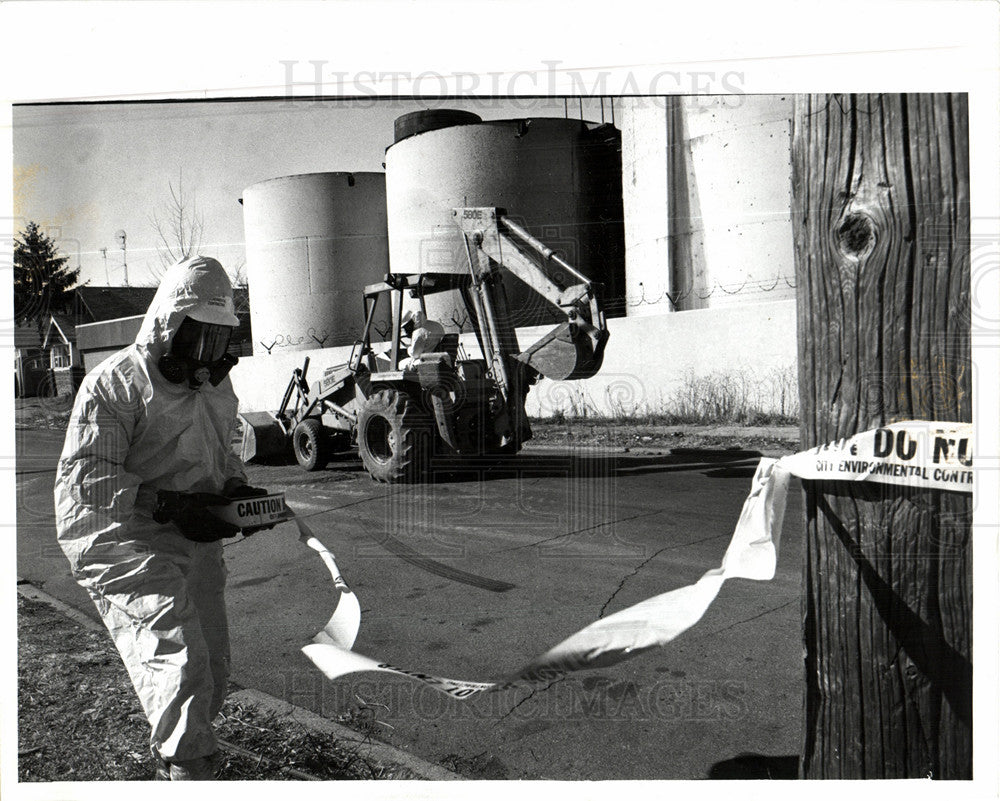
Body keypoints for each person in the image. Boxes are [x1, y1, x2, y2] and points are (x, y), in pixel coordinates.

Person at [54, 256, 266, 781]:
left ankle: (188, 749)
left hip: (189, 531)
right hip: (118, 535)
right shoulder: (114, 385)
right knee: (178, 656)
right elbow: (88, 479)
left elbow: (223, 452)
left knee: (213, 666)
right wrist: (170, 505)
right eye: (198, 338)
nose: (206, 356)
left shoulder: (215, 388)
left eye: (218, 342)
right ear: (169, 325)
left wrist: (235, 490)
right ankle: (189, 767)